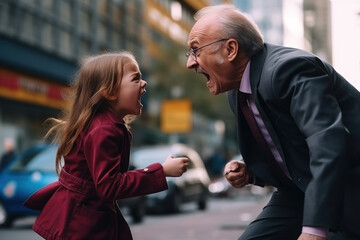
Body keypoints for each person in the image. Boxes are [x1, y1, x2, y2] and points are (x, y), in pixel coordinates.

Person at [186, 4, 360, 240]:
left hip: (347, 188)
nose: (190, 63)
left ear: (230, 49)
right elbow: (289, 149)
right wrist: (251, 174)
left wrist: (314, 231)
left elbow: (328, 144)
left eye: (196, 50)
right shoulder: (236, 93)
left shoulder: (289, 69)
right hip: (297, 193)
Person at [24, 51, 189, 240]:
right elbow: (109, 186)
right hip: (81, 225)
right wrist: (161, 171)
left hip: (82, 219)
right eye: (135, 79)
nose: (144, 84)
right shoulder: (103, 129)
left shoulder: (104, 125)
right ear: (109, 92)